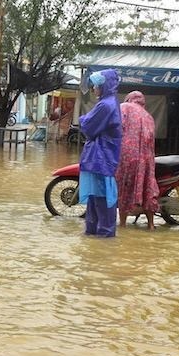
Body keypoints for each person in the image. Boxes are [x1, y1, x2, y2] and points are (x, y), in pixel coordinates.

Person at [78, 69, 122, 237]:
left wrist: (83, 119)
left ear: (104, 86)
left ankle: (103, 236)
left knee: (101, 199)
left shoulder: (105, 105)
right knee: (95, 198)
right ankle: (94, 237)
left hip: (101, 158)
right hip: (99, 158)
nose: (94, 89)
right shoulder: (110, 102)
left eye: (96, 85)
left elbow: (88, 126)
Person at [115, 91, 160, 229]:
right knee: (148, 188)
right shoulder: (148, 116)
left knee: (125, 188)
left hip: (128, 155)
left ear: (129, 99)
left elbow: (116, 128)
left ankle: (122, 224)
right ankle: (151, 225)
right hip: (146, 159)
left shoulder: (124, 107)